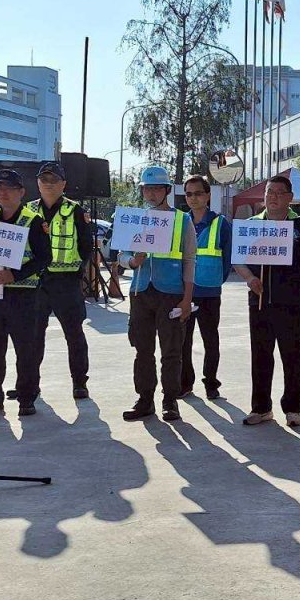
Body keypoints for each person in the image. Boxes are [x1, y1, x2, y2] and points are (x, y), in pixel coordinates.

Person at [235, 175, 300, 427]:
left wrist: (297, 277)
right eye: (269, 192)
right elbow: (238, 259)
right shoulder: (251, 225)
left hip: (293, 302)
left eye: (279, 193)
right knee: (260, 355)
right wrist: (251, 279)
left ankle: (293, 408)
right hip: (260, 299)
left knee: (293, 355)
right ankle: (261, 408)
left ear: (290, 198)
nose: (273, 197)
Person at [0, 169, 51, 417]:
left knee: (26, 349)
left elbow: (44, 258)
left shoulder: (33, 221)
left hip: (22, 295)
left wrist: (14, 275)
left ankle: (27, 396)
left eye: (9, 188)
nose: (3, 193)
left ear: (21, 193)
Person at [119, 166, 195, 423]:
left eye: (156, 188)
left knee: (172, 350)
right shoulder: (134, 218)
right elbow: (121, 255)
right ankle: (145, 399)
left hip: (171, 293)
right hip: (140, 291)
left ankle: (170, 400)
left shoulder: (182, 220)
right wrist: (132, 262)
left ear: (167, 191)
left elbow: (189, 261)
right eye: (147, 189)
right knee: (142, 349)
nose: (151, 193)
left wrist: (187, 299)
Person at [25, 161, 93, 402]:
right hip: (36, 283)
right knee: (33, 336)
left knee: (74, 335)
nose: (49, 184)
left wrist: (77, 274)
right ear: (37, 183)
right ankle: (30, 384)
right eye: (44, 179)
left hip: (66, 282)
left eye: (54, 180)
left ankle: (79, 383)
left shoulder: (75, 211)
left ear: (63, 184)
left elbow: (86, 247)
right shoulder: (28, 210)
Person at [180, 175, 233, 400]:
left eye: (198, 193)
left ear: (208, 195)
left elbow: (228, 259)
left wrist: (214, 280)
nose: (193, 198)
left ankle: (211, 383)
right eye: (189, 194)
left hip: (210, 292)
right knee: (183, 341)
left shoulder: (221, 223)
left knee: (210, 340)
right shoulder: (180, 222)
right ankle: (185, 384)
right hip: (183, 292)